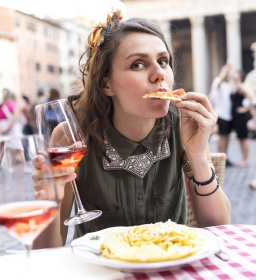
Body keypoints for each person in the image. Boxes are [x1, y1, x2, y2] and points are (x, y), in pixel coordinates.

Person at [32, 10, 231, 249]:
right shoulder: (71, 137)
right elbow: (46, 254)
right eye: (138, 64)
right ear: (106, 84)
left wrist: (198, 155)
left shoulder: (183, 124)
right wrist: (51, 199)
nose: (159, 74)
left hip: (171, 265)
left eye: (163, 61)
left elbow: (220, 227)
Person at [210, 64, 234, 166]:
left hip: (229, 114)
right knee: (222, 136)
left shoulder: (229, 84)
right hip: (221, 113)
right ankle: (220, 156)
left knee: (227, 136)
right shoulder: (217, 81)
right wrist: (226, 68)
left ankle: (225, 156)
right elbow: (219, 82)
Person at [230, 70, 252, 167]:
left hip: (241, 116)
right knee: (240, 137)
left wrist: (245, 109)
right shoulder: (234, 87)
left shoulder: (242, 86)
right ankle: (243, 158)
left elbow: (251, 97)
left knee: (244, 137)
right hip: (235, 116)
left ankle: (245, 159)